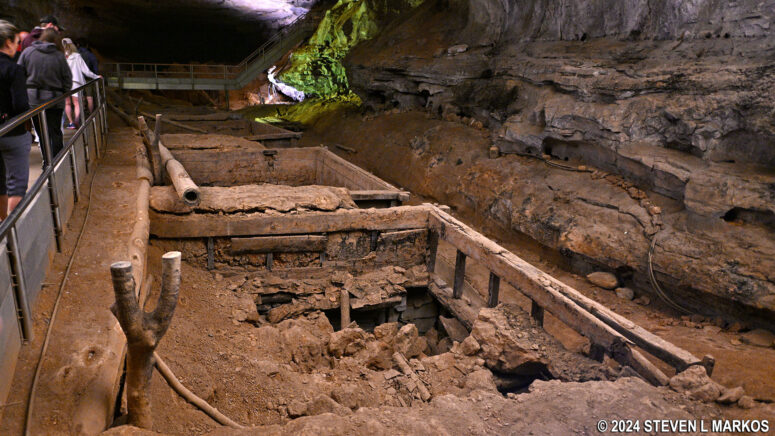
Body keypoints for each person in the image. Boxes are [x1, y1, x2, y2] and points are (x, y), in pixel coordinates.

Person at [17, 28, 71, 164]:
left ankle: (47, 162)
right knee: (55, 132)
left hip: (33, 98)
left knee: (41, 133)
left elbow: (19, 74)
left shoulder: (28, 52)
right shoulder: (59, 56)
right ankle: (58, 163)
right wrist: (63, 92)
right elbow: (67, 79)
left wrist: (25, 91)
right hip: (54, 98)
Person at [0, 20, 32, 218]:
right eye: (17, 42)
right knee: (16, 185)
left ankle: (4, 228)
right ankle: (15, 233)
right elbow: (21, 105)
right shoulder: (14, 69)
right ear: (9, 42)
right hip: (12, 131)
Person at [62, 38, 99, 129]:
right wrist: (96, 76)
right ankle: (76, 121)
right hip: (75, 82)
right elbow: (86, 71)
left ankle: (71, 123)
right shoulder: (77, 56)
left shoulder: (61, 57)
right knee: (77, 103)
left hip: (65, 83)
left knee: (67, 103)